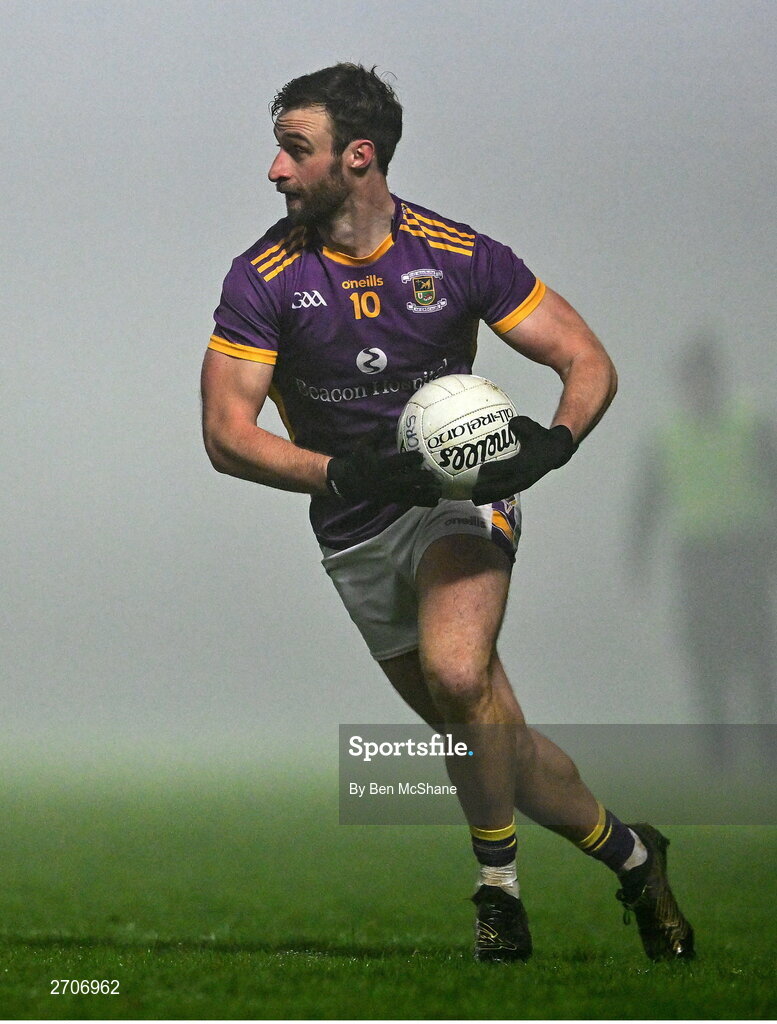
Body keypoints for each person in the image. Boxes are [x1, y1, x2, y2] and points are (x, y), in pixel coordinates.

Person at [200, 63, 694, 963]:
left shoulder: (459, 254)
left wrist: (554, 443)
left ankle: (496, 894)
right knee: (485, 736)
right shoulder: (262, 276)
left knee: (458, 674)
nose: (274, 170)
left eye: (293, 149)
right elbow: (227, 435)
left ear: (359, 157)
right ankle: (633, 855)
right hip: (353, 525)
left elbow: (586, 361)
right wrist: (343, 474)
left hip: (461, 508)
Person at [632, 338, 776, 763]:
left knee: (757, 651)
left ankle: (768, 744)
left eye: (704, 378)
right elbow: (647, 502)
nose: (698, 388)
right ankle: (719, 753)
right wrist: (638, 559)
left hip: (746, 552)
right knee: (703, 652)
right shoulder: (668, 437)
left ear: (717, 379)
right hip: (696, 557)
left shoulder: (749, 425)